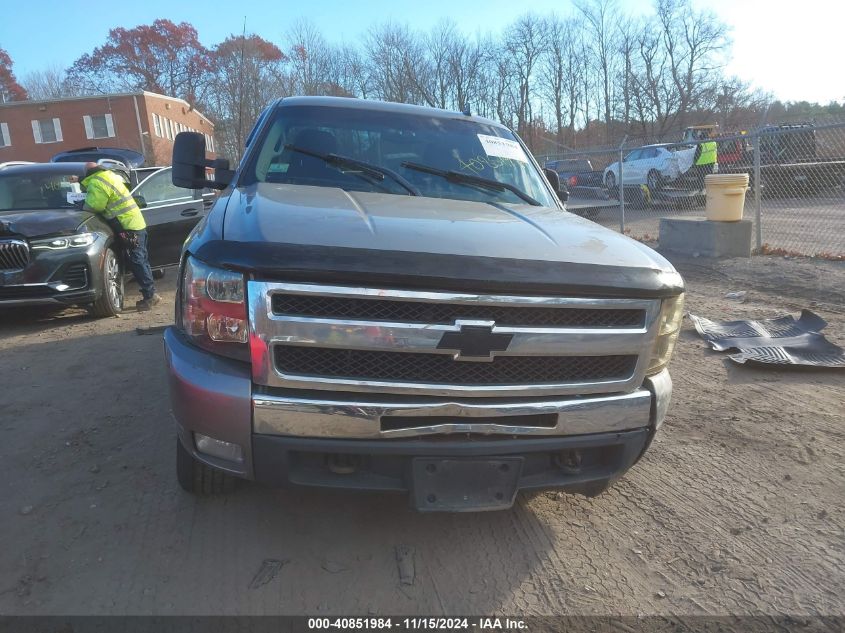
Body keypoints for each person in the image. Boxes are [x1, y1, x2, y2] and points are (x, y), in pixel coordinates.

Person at [80, 161, 161, 311]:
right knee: (141, 259)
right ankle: (151, 293)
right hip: (135, 223)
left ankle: (150, 296)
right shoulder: (109, 175)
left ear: (86, 174)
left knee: (137, 260)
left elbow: (94, 206)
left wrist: (81, 203)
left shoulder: (96, 182)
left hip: (127, 226)